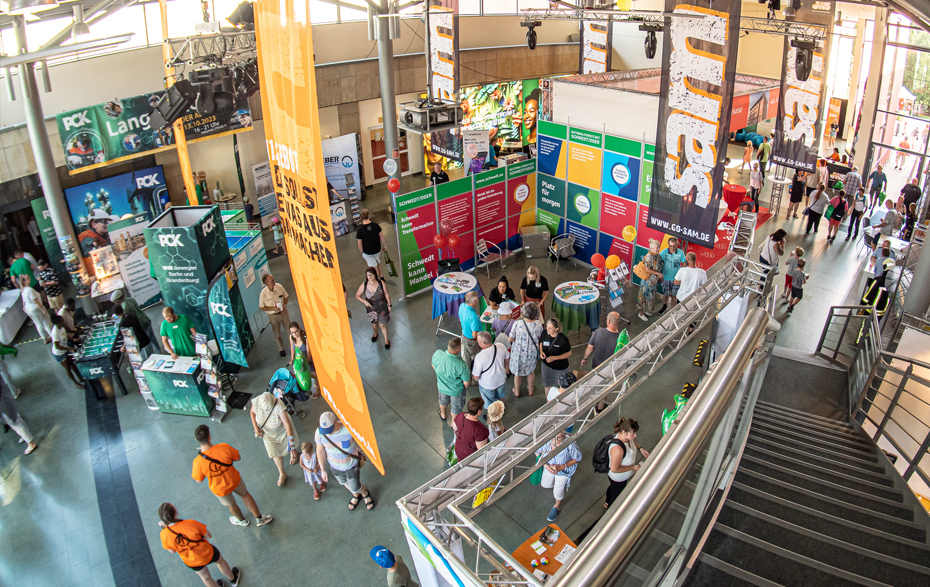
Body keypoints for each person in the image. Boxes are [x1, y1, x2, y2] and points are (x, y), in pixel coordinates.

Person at [191, 425, 273, 527]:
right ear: (209, 437)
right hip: (234, 480)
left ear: (196, 439)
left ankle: (242, 521)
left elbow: (198, 480)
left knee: (231, 505)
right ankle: (259, 519)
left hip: (219, 489)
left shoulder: (197, 462)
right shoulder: (223, 447)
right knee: (245, 495)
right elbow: (238, 458)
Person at [157, 502, 242, 587]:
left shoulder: (163, 534)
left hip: (191, 560)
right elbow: (208, 535)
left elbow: (172, 551)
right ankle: (233, 579)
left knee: (205, 577)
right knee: (220, 562)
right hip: (207, 552)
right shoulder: (190, 523)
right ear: (175, 513)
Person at [315, 411, 374, 510]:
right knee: (343, 483)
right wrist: (322, 469)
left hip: (350, 465)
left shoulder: (348, 428)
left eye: (329, 429)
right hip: (334, 466)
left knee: (355, 486)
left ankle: (364, 492)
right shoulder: (319, 433)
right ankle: (356, 495)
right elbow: (320, 450)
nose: (327, 433)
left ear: (336, 423)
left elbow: (364, 440)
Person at [250, 391, 300, 487]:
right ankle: (282, 473)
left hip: (282, 432)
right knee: (274, 452)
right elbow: (252, 412)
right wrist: (255, 427)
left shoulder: (279, 407)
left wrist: (292, 445)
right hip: (268, 434)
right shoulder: (257, 402)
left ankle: (293, 454)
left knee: (289, 446)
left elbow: (287, 425)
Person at [535, 430, 582, 521]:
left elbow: (578, 458)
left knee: (557, 492)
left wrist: (562, 467)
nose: (555, 439)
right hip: (549, 467)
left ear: (564, 436)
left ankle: (557, 506)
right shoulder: (546, 441)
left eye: (559, 437)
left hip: (564, 471)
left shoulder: (570, 445)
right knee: (545, 484)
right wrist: (546, 466)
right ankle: (556, 483)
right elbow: (537, 453)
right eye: (554, 436)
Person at [605, 418, 648, 508]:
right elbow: (614, 469)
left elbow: (632, 442)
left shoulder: (626, 438)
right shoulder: (618, 450)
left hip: (621, 477)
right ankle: (610, 508)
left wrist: (640, 448)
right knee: (617, 495)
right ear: (624, 432)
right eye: (633, 433)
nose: (635, 435)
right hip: (618, 478)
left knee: (613, 488)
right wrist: (633, 468)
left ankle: (607, 501)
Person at [432, 338, 472, 423]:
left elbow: (433, 365)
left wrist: (441, 376)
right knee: (456, 407)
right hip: (456, 391)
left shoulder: (438, 354)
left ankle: (443, 414)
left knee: (443, 400)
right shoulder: (462, 365)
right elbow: (467, 383)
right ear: (458, 349)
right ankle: (454, 422)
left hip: (442, 387)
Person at [509, 301, 543, 397]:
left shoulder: (518, 323)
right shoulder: (538, 324)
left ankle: (517, 391)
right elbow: (540, 337)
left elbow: (510, 339)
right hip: (531, 353)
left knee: (517, 373)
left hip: (518, 353)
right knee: (531, 372)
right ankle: (530, 389)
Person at [472, 331, 510, 409]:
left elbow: (476, 377)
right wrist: (502, 367)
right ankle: (501, 410)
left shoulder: (479, 357)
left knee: (489, 402)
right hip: (501, 379)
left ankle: (493, 416)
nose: (477, 342)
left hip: (487, 384)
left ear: (483, 343)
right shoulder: (501, 346)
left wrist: (476, 378)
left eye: (478, 341)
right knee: (501, 397)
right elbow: (507, 359)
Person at [356, 267, 392, 349]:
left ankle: (386, 340)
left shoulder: (381, 283)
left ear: (375, 275)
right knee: (374, 324)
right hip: (371, 309)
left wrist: (389, 305)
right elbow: (357, 295)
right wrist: (365, 301)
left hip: (382, 306)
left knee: (383, 325)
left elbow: (386, 294)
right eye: (368, 275)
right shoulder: (364, 284)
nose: (369, 277)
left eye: (371, 275)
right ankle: (375, 333)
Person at [0, 377, 38, 455]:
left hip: (2, 404)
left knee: (14, 423)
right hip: (5, 399)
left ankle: (30, 443)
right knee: (16, 418)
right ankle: (26, 437)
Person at [259, 274, 290, 357]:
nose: (274, 281)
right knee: (277, 334)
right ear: (266, 283)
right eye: (271, 280)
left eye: (273, 279)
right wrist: (273, 308)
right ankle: (281, 349)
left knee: (289, 330)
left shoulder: (279, 286)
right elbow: (262, 307)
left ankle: (294, 346)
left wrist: (285, 304)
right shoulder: (263, 293)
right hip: (273, 316)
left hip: (283, 312)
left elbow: (286, 296)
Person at [453, 397, 489, 462]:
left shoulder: (461, 415)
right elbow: (481, 449)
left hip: (458, 448)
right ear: (479, 412)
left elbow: (454, 428)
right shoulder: (481, 429)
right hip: (470, 455)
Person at [637, 239, 664, 322]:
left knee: (650, 297)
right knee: (644, 296)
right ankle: (641, 313)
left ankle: (647, 311)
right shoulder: (649, 256)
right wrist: (658, 274)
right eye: (657, 247)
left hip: (653, 282)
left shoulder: (656, 255)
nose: (658, 249)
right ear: (652, 248)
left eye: (659, 247)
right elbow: (647, 269)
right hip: (647, 281)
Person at [539, 318, 571, 388]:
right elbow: (541, 342)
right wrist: (541, 351)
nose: (547, 329)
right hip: (546, 366)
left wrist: (554, 358)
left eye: (550, 328)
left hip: (559, 368)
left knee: (560, 387)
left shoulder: (563, 340)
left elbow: (568, 353)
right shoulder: (544, 333)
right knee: (546, 385)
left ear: (556, 329)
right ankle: (548, 398)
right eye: (547, 327)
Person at [19, 275, 51, 344]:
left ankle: (44, 338)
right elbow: (36, 301)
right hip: (36, 308)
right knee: (46, 322)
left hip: (29, 309)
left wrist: (24, 308)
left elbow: (23, 301)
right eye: (27, 278)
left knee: (38, 324)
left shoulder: (23, 289)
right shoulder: (29, 290)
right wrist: (43, 309)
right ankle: (52, 335)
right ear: (24, 281)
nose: (29, 278)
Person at [356, 209, 387, 279]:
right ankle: (382, 277)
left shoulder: (360, 230)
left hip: (367, 252)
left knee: (373, 267)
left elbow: (359, 244)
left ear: (361, 218)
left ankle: (378, 280)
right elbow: (381, 237)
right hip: (377, 249)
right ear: (369, 216)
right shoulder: (375, 225)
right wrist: (385, 246)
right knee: (378, 262)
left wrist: (362, 253)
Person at [658, 238, 685, 313]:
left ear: (677, 244)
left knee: (674, 295)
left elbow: (684, 262)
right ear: (668, 245)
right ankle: (664, 306)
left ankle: (672, 311)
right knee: (666, 294)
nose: (672, 248)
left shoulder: (680, 253)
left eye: (674, 246)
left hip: (676, 279)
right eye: (670, 246)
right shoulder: (663, 252)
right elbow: (659, 262)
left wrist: (682, 274)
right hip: (666, 278)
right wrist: (660, 275)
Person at [458, 291, 482, 367]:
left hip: (464, 336)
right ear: (474, 301)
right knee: (476, 359)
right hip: (472, 342)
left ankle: (466, 375)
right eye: (477, 299)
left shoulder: (461, 306)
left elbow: (460, 319)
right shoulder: (473, 316)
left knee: (466, 359)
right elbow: (474, 335)